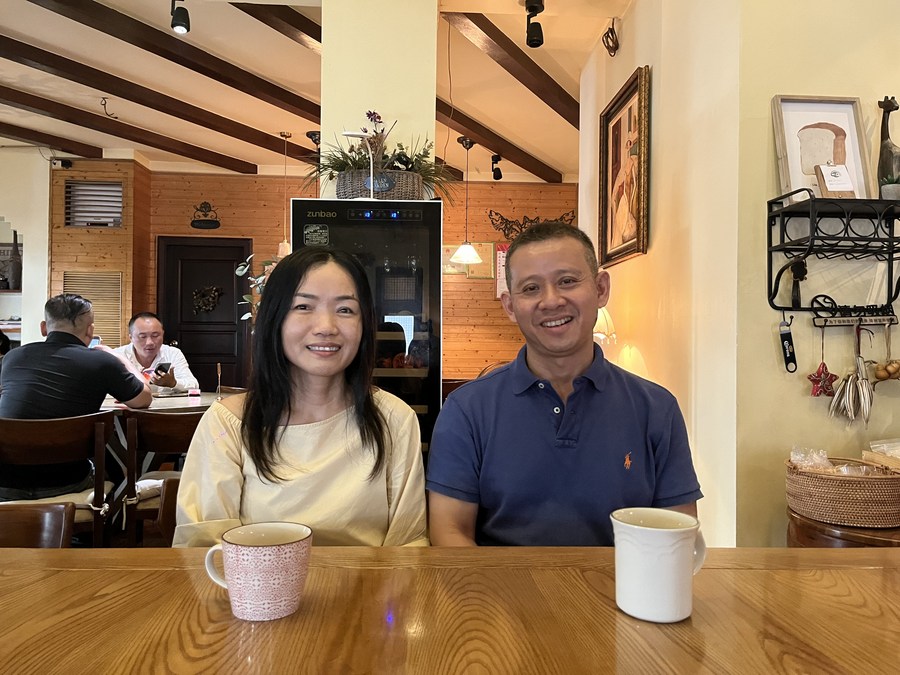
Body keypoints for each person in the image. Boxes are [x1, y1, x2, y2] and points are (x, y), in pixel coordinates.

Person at [426, 221, 702, 546]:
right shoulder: (466, 410)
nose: (552, 300)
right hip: (501, 595)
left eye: (567, 281)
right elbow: (449, 533)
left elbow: (677, 534)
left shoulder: (657, 408)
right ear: (510, 306)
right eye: (531, 288)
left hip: (625, 595)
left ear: (601, 289)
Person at [173, 246, 428, 547]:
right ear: (275, 319)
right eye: (303, 307)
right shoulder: (227, 424)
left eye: (345, 309)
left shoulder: (394, 419)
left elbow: (408, 547)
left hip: (367, 592)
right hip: (256, 593)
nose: (326, 327)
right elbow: (203, 550)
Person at [0, 293, 151, 500]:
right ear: (90, 330)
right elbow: (143, 400)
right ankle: (104, 527)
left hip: (5, 483)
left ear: (44, 327)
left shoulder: (12, 357)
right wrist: (119, 358)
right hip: (67, 482)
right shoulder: (102, 362)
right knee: (117, 470)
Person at [114, 312, 199, 394]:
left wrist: (173, 383)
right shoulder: (117, 356)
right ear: (131, 337)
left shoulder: (173, 354)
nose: (149, 342)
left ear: (163, 334)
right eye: (143, 337)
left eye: (155, 336)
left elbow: (194, 385)